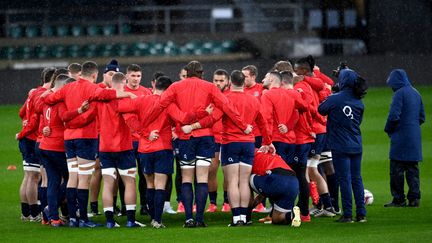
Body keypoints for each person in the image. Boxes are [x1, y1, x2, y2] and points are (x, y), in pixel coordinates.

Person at [153, 61, 252, 228]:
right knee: (202, 179)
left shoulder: (176, 87)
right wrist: (243, 125)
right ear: (201, 73)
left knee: (186, 179)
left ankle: (188, 219)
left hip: (186, 138)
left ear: (187, 72)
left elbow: (161, 104)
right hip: (205, 137)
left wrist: (175, 121)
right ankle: (200, 219)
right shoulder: (210, 87)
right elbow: (225, 106)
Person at [43, 61, 134, 227]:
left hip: (69, 137)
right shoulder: (92, 88)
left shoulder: (67, 88)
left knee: (72, 178)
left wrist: (46, 93)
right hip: (86, 137)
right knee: (84, 179)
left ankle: (72, 218)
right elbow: (107, 95)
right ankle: (83, 219)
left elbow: (49, 99)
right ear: (94, 75)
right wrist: (127, 94)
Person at [219, 70, 272, 226]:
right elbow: (263, 122)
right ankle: (245, 216)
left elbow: (215, 118)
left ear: (230, 82)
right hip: (248, 143)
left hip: (230, 142)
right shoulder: (254, 100)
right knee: (244, 181)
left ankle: (236, 218)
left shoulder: (225, 98)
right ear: (243, 82)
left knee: (232, 181)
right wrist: (267, 141)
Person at [318, 69, 367, 223]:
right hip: (356, 144)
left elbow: (321, 109)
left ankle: (347, 214)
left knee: (344, 179)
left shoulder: (335, 99)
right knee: (356, 179)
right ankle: (361, 214)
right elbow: (357, 122)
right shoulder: (359, 102)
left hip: (340, 145)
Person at [384, 69, 425, 208]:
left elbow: (394, 116)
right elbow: (422, 117)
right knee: (413, 169)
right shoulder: (416, 93)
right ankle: (414, 199)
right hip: (414, 137)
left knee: (397, 169)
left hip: (401, 137)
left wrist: (388, 129)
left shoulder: (399, 94)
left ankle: (398, 199)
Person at [89, 59, 121, 217]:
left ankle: (112, 205)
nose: (112, 76)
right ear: (104, 75)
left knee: (113, 172)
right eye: (110, 74)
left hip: (114, 136)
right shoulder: (98, 89)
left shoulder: (117, 91)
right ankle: (94, 205)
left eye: (115, 74)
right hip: (98, 135)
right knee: (98, 170)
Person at [250, 151, 301, 226]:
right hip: (293, 182)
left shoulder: (249, 155)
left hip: (276, 179)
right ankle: (290, 215)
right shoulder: (270, 153)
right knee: (277, 220)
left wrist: (249, 207)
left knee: (245, 180)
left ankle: (245, 215)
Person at [207, 69, 230, 213]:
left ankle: (227, 202)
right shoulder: (208, 96)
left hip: (228, 139)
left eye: (221, 81)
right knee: (211, 171)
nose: (218, 83)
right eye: (216, 80)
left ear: (227, 81)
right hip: (213, 138)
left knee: (228, 173)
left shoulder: (231, 96)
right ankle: (213, 203)